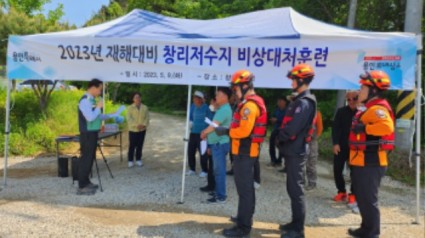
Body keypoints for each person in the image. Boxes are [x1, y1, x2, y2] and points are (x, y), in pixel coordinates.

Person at [347, 70, 394, 238]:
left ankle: (372, 232)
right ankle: (366, 228)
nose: (360, 91)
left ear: (373, 91)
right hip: (363, 161)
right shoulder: (369, 107)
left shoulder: (377, 108)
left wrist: (365, 128)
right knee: (363, 197)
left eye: (363, 88)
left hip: (371, 162)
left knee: (368, 199)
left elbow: (387, 127)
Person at [222, 70, 267, 237]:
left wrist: (227, 131)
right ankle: (244, 217)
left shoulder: (249, 106)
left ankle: (243, 228)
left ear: (245, 85)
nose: (234, 92)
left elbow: (244, 131)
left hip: (244, 153)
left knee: (245, 190)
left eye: (235, 88)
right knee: (245, 189)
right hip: (245, 152)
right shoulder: (250, 102)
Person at [277, 64, 317, 238]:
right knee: (292, 188)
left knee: (296, 189)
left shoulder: (304, 102)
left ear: (301, 80)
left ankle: (298, 230)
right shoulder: (300, 100)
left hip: (296, 150)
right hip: (293, 149)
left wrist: (280, 137)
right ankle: (294, 222)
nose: (291, 81)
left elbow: (293, 128)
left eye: (293, 78)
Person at [77, 78, 115, 195]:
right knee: (86, 159)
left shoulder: (91, 100)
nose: (100, 92)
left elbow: (97, 116)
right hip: (87, 134)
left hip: (93, 133)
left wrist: (112, 115)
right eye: (99, 89)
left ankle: (86, 181)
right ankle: (82, 185)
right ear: (93, 87)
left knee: (90, 158)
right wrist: (98, 107)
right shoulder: (85, 101)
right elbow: (90, 117)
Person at [200, 87, 233, 204]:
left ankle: (221, 196)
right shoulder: (222, 109)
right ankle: (218, 191)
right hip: (216, 144)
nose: (216, 97)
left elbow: (214, 125)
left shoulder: (224, 110)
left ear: (225, 96)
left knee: (219, 170)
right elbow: (216, 126)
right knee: (217, 170)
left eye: (218, 95)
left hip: (219, 144)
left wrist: (204, 132)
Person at [332, 91, 359, 207]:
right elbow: (335, 128)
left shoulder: (363, 112)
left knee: (355, 172)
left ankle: (354, 194)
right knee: (337, 169)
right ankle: (341, 191)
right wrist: (335, 143)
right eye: (349, 99)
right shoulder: (341, 111)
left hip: (356, 147)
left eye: (354, 98)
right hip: (342, 145)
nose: (351, 101)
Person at [187, 90, 211, 177]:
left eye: (196, 98)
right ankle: (192, 169)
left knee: (203, 152)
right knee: (190, 151)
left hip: (202, 134)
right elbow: (190, 117)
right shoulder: (192, 106)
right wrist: (190, 122)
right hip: (193, 132)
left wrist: (206, 131)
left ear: (201, 99)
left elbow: (209, 121)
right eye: (193, 98)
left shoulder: (206, 107)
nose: (194, 99)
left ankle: (205, 170)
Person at [126, 92, 150, 168]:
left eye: (139, 97)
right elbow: (129, 119)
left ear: (141, 98)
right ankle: (130, 160)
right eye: (136, 97)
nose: (137, 99)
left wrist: (144, 125)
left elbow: (147, 118)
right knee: (132, 145)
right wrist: (137, 125)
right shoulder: (129, 108)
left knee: (140, 145)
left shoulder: (145, 107)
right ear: (133, 99)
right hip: (133, 130)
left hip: (142, 130)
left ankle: (138, 159)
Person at [200, 97, 218, 193]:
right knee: (210, 165)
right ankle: (210, 185)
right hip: (208, 140)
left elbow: (214, 129)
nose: (210, 104)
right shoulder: (210, 111)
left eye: (212, 101)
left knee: (213, 167)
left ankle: (214, 187)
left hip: (215, 143)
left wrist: (210, 146)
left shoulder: (218, 113)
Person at [304, 109, 323, 190]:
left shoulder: (317, 113)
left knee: (311, 162)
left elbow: (320, 128)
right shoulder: (302, 111)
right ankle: (301, 181)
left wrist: (314, 137)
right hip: (302, 140)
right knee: (301, 162)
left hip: (312, 141)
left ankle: (312, 182)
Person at [269, 96, 288, 167]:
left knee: (281, 145)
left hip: (282, 130)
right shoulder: (276, 110)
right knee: (271, 144)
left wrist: (277, 120)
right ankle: (273, 159)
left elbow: (286, 121)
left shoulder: (287, 110)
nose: (279, 103)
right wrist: (273, 120)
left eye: (280, 101)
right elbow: (273, 117)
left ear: (285, 102)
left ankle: (279, 160)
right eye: (278, 101)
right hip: (275, 128)